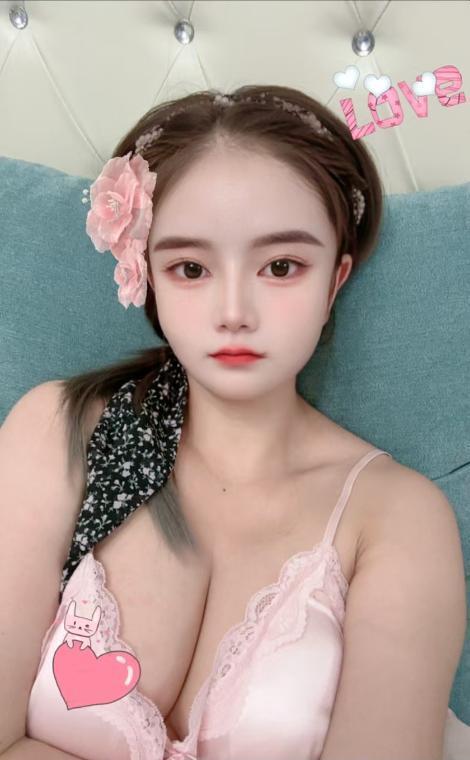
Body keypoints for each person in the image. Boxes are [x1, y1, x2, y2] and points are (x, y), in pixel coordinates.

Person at [0, 85, 466, 760]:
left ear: (334, 280)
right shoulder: (59, 432)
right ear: (145, 273)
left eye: (281, 267)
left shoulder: (397, 518)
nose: (234, 312)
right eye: (191, 268)